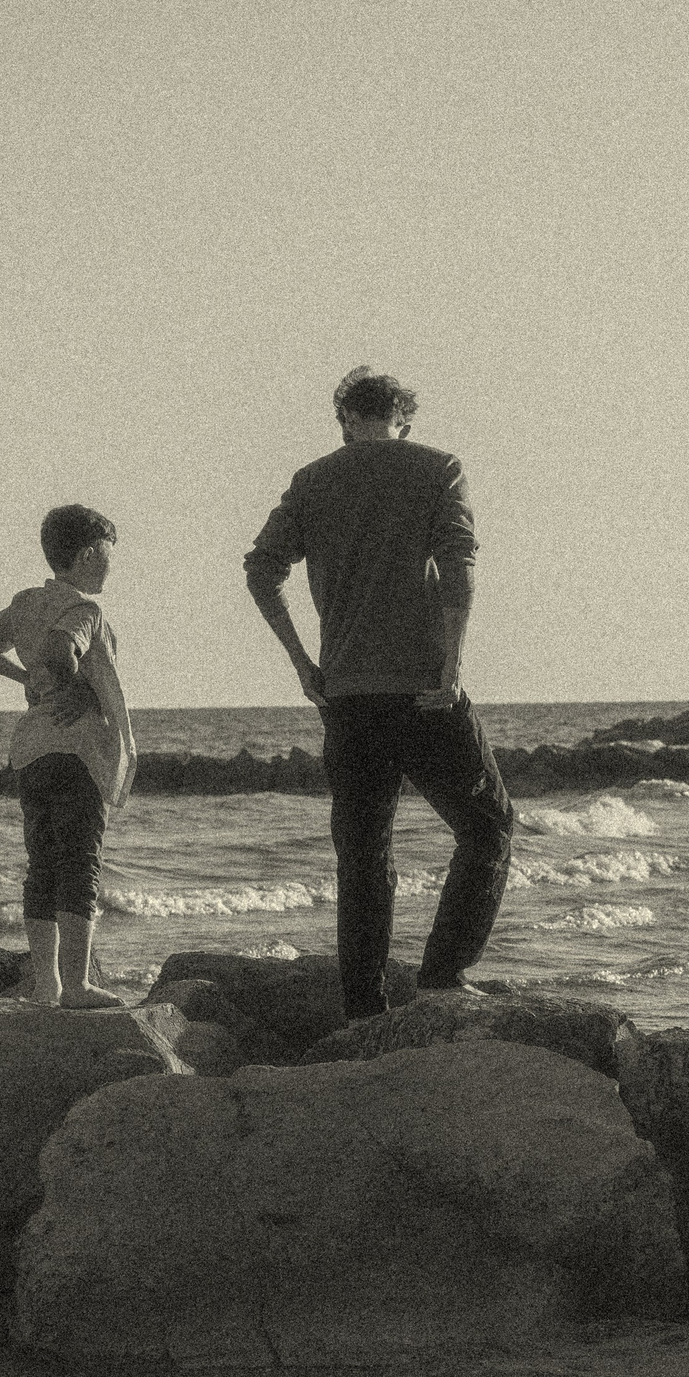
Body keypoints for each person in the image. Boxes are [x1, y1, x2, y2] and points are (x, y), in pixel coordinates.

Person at [244, 367, 515, 1019]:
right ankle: (443, 976)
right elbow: (460, 566)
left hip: (347, 696)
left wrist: (301, 662)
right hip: (424, 691)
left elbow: (261, 568)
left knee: (364, 856)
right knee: (489, 827)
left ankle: (363, 1010)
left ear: (345, 423)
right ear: (404, 420)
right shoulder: (437, 467)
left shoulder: (313, 480)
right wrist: (451, 664)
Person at [0, 504, 136, 1008]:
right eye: (108, 555)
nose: (111, 565)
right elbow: (63, 651)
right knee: (80, 864)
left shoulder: (25, 604)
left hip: (32, 753)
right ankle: (77, 986)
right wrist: (75, 686)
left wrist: (25, 679)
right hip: (76, 751)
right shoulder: (85, 610)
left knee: (42, 867)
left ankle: (47, 986)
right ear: (86, 555)